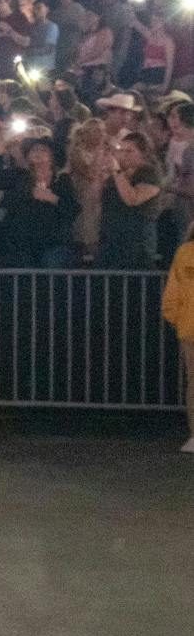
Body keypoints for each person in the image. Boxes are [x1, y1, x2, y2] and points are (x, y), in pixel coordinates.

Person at [99, 132, 163, 268]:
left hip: (137, 241)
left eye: (129, 151)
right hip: (112, 238)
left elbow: (132, 199)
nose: (124, 155)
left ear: (143, 153)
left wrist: (116, 171)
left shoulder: (150, 174)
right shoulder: (118, 174)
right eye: (122, 150)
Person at [159, 222, 194, 453]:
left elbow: (171, 297)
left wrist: (178, 319)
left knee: (193, 381)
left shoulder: (183, 253)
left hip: (189, 327)